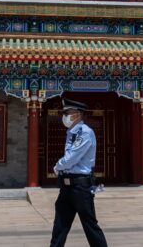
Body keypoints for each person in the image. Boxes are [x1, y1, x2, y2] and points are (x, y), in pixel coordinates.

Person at [50, 98, 108, 247]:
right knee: (60, 226)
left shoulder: (85, 132)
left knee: (90, 226)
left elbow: (72, 158)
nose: (65, 116)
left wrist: (57, 166)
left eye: (68, 112)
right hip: (66, 186)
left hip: (80, 188)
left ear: (78, 114)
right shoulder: (71, 132)